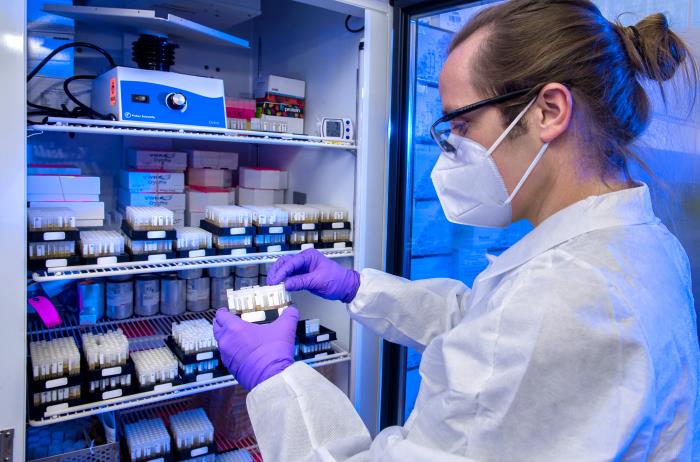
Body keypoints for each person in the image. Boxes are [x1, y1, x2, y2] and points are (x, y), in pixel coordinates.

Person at [214, 0, 700, 460]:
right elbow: (480, 324)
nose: (452, 148)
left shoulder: (566, 298)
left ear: (549, 111)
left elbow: (508, 338)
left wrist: (278, 381)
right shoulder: (636, 242)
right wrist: (356, 287)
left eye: (463, 124)